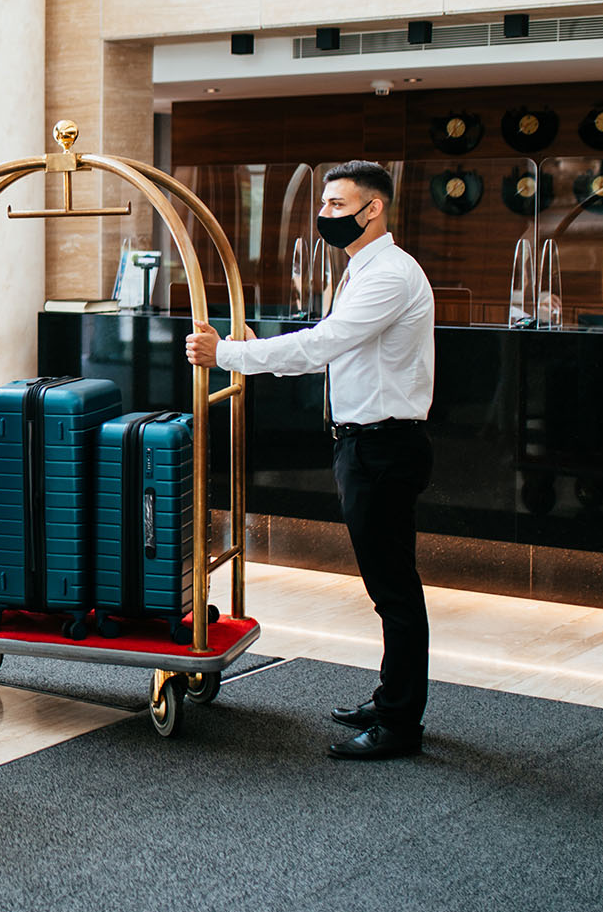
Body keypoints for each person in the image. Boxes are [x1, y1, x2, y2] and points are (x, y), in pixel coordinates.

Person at [186, 160, 435, 760]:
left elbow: (323, 344)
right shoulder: (364, 269)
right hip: (364, 442)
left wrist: (231, 354)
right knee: (389, 586)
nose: (324, 216)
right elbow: (329, 340)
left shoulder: (389, 275)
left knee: (393, 590)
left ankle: (400, 724)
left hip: (383, 445)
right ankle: (391, 697)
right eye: (322, 205)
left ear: (372, 209)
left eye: (335, 206)